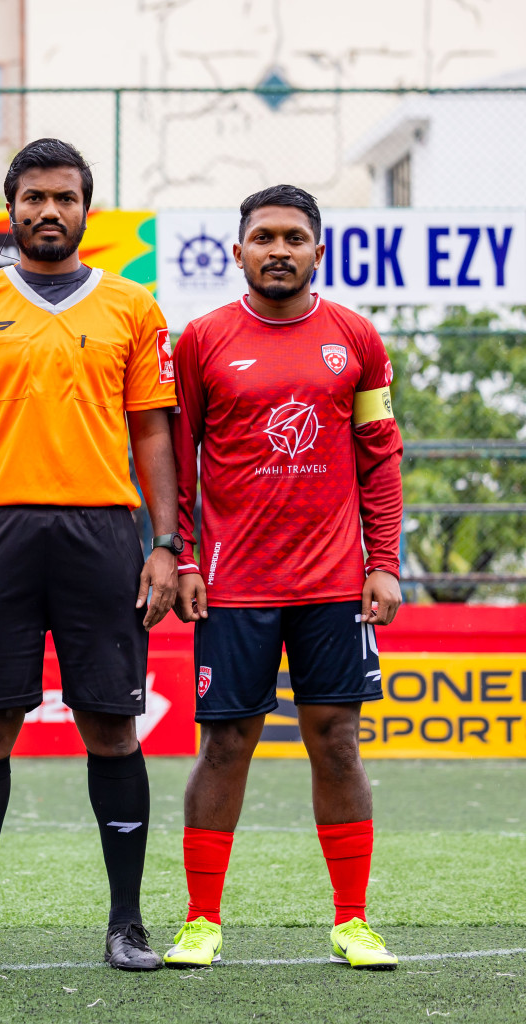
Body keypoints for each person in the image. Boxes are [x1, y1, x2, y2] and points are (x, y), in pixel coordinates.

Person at [0, 138, 180, 972]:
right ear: (11, 208)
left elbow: (153, 434)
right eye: (33, 197)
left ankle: (127, 923)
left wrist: (166, 544)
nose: (48, 211)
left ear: (85, 209)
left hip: (104, 533)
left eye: (64, 198)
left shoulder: (133, 308)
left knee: (111, 723)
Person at [162, 185, 403, 971]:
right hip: (234, 586)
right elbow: (178, 460)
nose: (279, 249)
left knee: (337, 744)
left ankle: (353, 921)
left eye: (294, 237)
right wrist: (185, 554)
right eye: (263, 236)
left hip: (335, 586)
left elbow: (380, 457)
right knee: (226, 744)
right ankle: (201, 920)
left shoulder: (356, 339)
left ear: (317, 251)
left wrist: (384, 563)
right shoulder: (201, 340)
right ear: (237, 252)